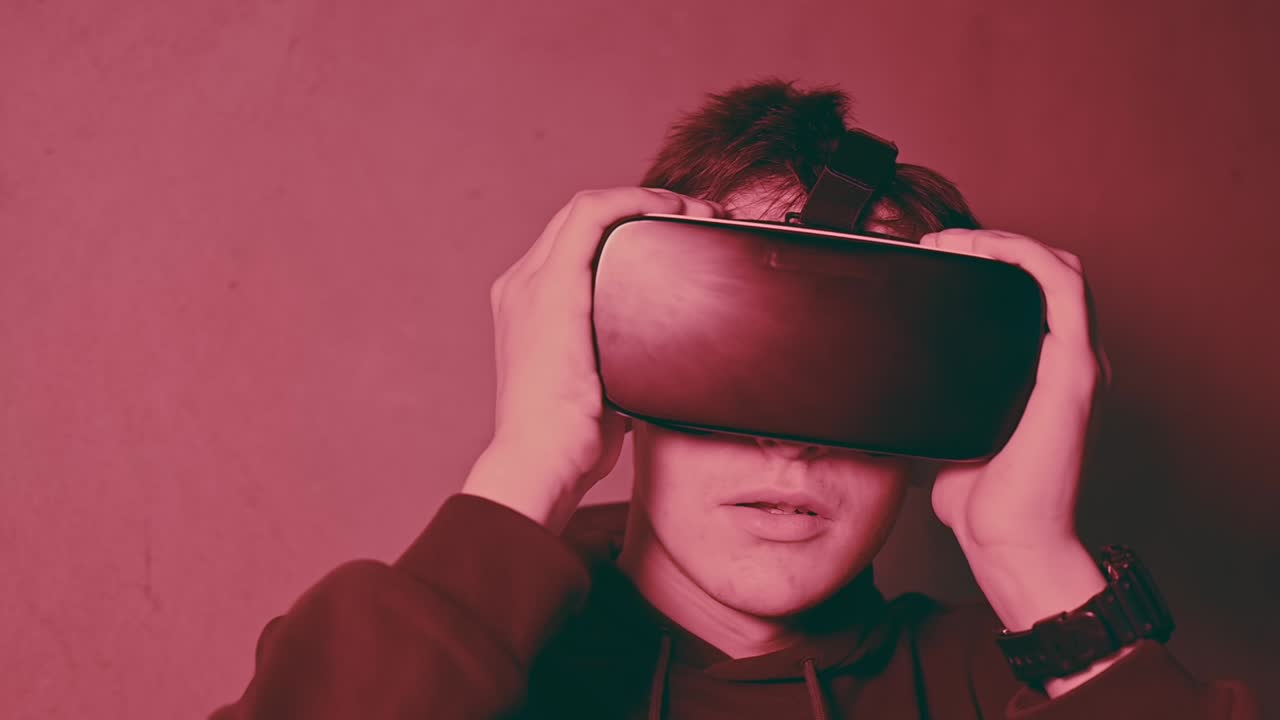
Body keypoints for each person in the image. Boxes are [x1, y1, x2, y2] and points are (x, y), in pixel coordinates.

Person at [211, 80, 1260, 719]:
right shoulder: (437, 661)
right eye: (740, 360)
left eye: (855, 376)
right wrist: (526, 463)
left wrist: (1028, 555)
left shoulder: (1013, 691)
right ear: (609, 353)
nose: (787, 444)